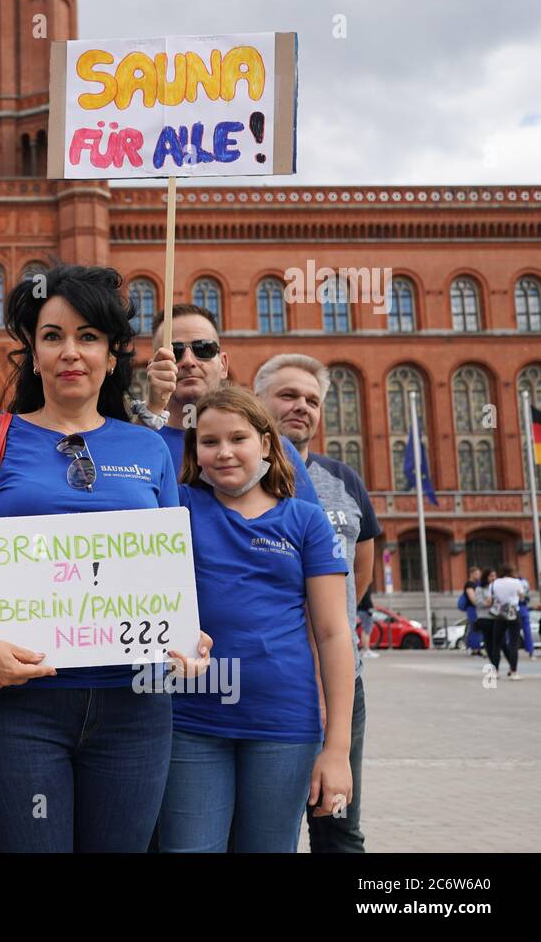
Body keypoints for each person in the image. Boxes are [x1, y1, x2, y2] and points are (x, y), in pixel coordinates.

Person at [0, 264, 211, 853]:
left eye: (88, 337)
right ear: (33, 353)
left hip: (133, 706)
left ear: (113, 355)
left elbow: (164, 568)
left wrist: (189, 634)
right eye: (53, 335)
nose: (70, 352)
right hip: (14, 703)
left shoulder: (146, 447)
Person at [157, 387, 353, 853]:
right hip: (191, 720)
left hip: (283, 725)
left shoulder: (306, 521)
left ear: (266, 444)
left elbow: (333, 633)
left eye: (238, 438)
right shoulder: (175, 509)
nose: (223, 452)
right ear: (194, 450)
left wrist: (338, 749)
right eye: (208, 442)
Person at [255, 353, 380, 854]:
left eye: (312, 400)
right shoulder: (233, 478)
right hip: (270, 681)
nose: (301, 407)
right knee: (265, 826)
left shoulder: (344, 480)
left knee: (338, 824)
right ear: (258, 400)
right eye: (287, 396)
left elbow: (360, 573)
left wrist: (332, 633)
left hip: (340, 680)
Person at [138, 305, 321, 508]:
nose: (189, 361)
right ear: (153, 366)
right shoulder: (138, 443)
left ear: (223, 365)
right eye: (175, 352)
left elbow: (310, 532)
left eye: (204, 349)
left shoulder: (276, 447)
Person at [485, 566, 527, 680]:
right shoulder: (517, 582)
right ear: (511, 572)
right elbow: (522, 597)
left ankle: (496, 671)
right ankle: (513, 672)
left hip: (500, 615)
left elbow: (489, 601)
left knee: (496, 643)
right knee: (513, 643)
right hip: (513, 612)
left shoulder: (494, 584)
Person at [461, 566, 484, 655]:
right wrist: (480, 604)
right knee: (475, 627)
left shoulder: (477, 584)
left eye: (479, 574)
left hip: (476, 608)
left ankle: (473, 647)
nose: (478, 576)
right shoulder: (470, 584)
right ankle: (475, 648)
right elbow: (472, 598)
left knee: (475, 628)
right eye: (477, 574)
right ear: (472, 574)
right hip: (473, 609)